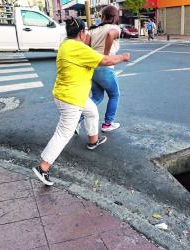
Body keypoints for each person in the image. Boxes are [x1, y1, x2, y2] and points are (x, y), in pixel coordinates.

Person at [33, 17, 130, 186]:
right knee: (64, 133)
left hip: (70, 94)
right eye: (86, 33)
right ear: (81, 33)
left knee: (92, 111)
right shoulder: (78, 48)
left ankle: (93, 141)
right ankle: (43, 167)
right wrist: (122, 57)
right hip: (71, 98)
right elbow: (106, 61)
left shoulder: (66, 44)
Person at [77, 5, 122, 133]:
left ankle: (76, 120)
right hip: (105, 67)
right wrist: (106, 55)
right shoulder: (115, 28)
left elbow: (85, 47)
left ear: (102, 17)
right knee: (114, 95)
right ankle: (108, 123)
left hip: (92, 68)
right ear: (115, 17)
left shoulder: (92, 31)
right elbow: (110, 35)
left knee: (97, 96)